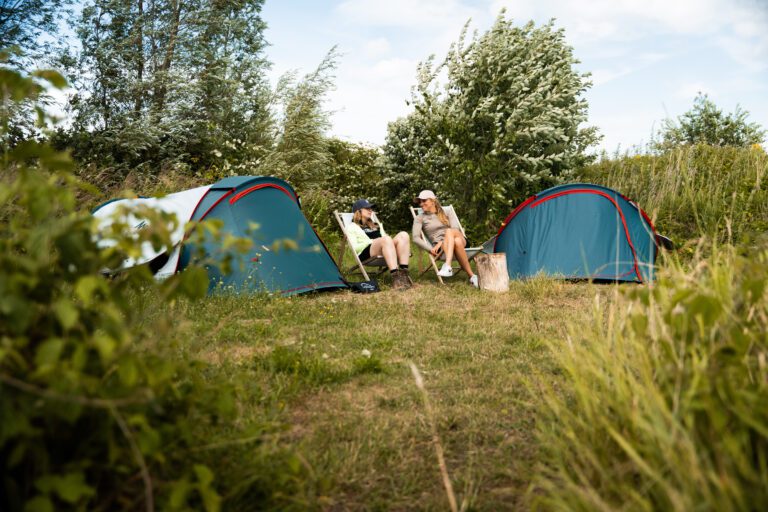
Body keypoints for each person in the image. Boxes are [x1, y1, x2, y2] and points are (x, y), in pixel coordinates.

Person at [412, 190, 478, 287]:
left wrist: (441, 242)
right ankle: (472, 277)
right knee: (457, 242)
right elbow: (415, 238)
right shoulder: (419, 218)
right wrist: (430, 249)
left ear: (433, 201)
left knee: (450, 232)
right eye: (419, 202)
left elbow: (455, 228)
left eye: (424, 201)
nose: (421, 204)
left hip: (457, 238)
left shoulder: (447, 211)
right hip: (442, 248)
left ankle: (447, 265)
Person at [345, 199, 412, 290]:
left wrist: (387, 242)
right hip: (366, 253)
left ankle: (404, 276)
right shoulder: (352, 227)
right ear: (359, 210)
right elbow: (355, 248)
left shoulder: (375, 225)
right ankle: (396, 278)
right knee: (386, 239)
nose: (370, 210)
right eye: (367, 208)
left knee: (403, 235)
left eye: (371, 208)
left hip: (383, 250)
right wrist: (373, 241)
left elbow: (386, 239)